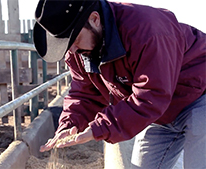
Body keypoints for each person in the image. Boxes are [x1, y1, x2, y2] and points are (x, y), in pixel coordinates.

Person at [33, 0, 206, 168]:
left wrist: (100, 128)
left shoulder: (147, 31)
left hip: (199, 97)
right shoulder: (79, 50)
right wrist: (70, 123)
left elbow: (152, 95)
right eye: (66, 44)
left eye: (74, 40)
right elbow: (84, 93)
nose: (71, 50)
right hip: (161, 113)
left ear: (94, 19)